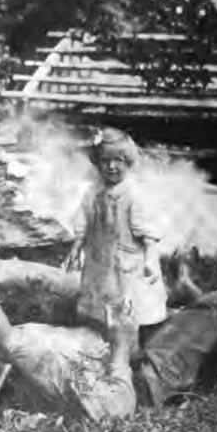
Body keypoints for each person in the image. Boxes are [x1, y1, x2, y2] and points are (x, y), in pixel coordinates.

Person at [67, 128, 168, 333]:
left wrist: (150, 256)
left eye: (118, 161)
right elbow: (83, 219)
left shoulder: (134, 193)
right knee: (100, 298)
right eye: (105, 161)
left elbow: (147, 229)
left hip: (127, 261)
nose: (111, 167)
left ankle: (133, 344)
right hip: (99, 259)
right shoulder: (93, 192)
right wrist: (76, 248)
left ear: (128, 162)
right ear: (97, 163)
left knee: (129, 303)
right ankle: (101, 331)